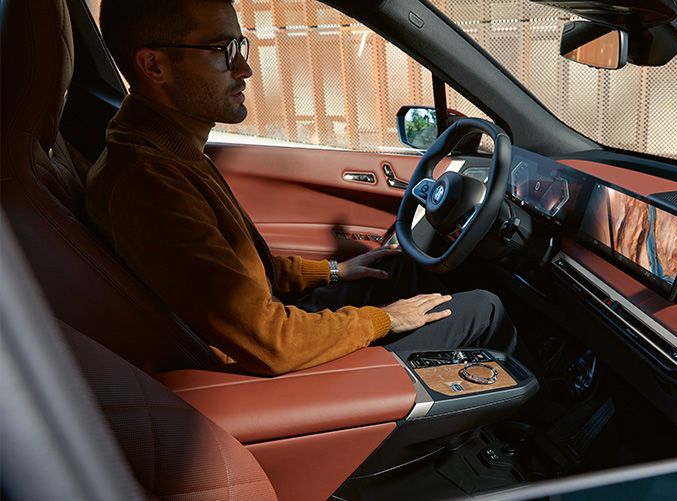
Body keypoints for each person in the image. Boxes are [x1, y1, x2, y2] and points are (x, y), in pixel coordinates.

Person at [86, 0, 517, 375]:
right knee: (485, 310)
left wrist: (334, 270)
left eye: (241, 46)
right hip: (268, 377)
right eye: (222, 50)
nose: (245, 68)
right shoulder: (148, 183)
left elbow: (239, 275)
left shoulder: (165, 148)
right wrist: (382, 319)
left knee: (403, 268)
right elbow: (268, 341)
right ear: (154, 65)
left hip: (273, 334)